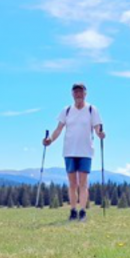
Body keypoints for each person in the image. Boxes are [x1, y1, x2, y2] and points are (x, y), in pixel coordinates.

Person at [43, 83, 105, 221]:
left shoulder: (91, 109)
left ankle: (82, 211)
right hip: (69, 151)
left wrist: (100, 134)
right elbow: (58, 129)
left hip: (86, 151)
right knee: (72, 184)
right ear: (72, 94)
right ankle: (73, 211)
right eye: (76, 92)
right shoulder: (66, 110)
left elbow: (97, 128)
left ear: (85, 94)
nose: (78, 94)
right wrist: (50, 139)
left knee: (83, 183)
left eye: (81, 92)